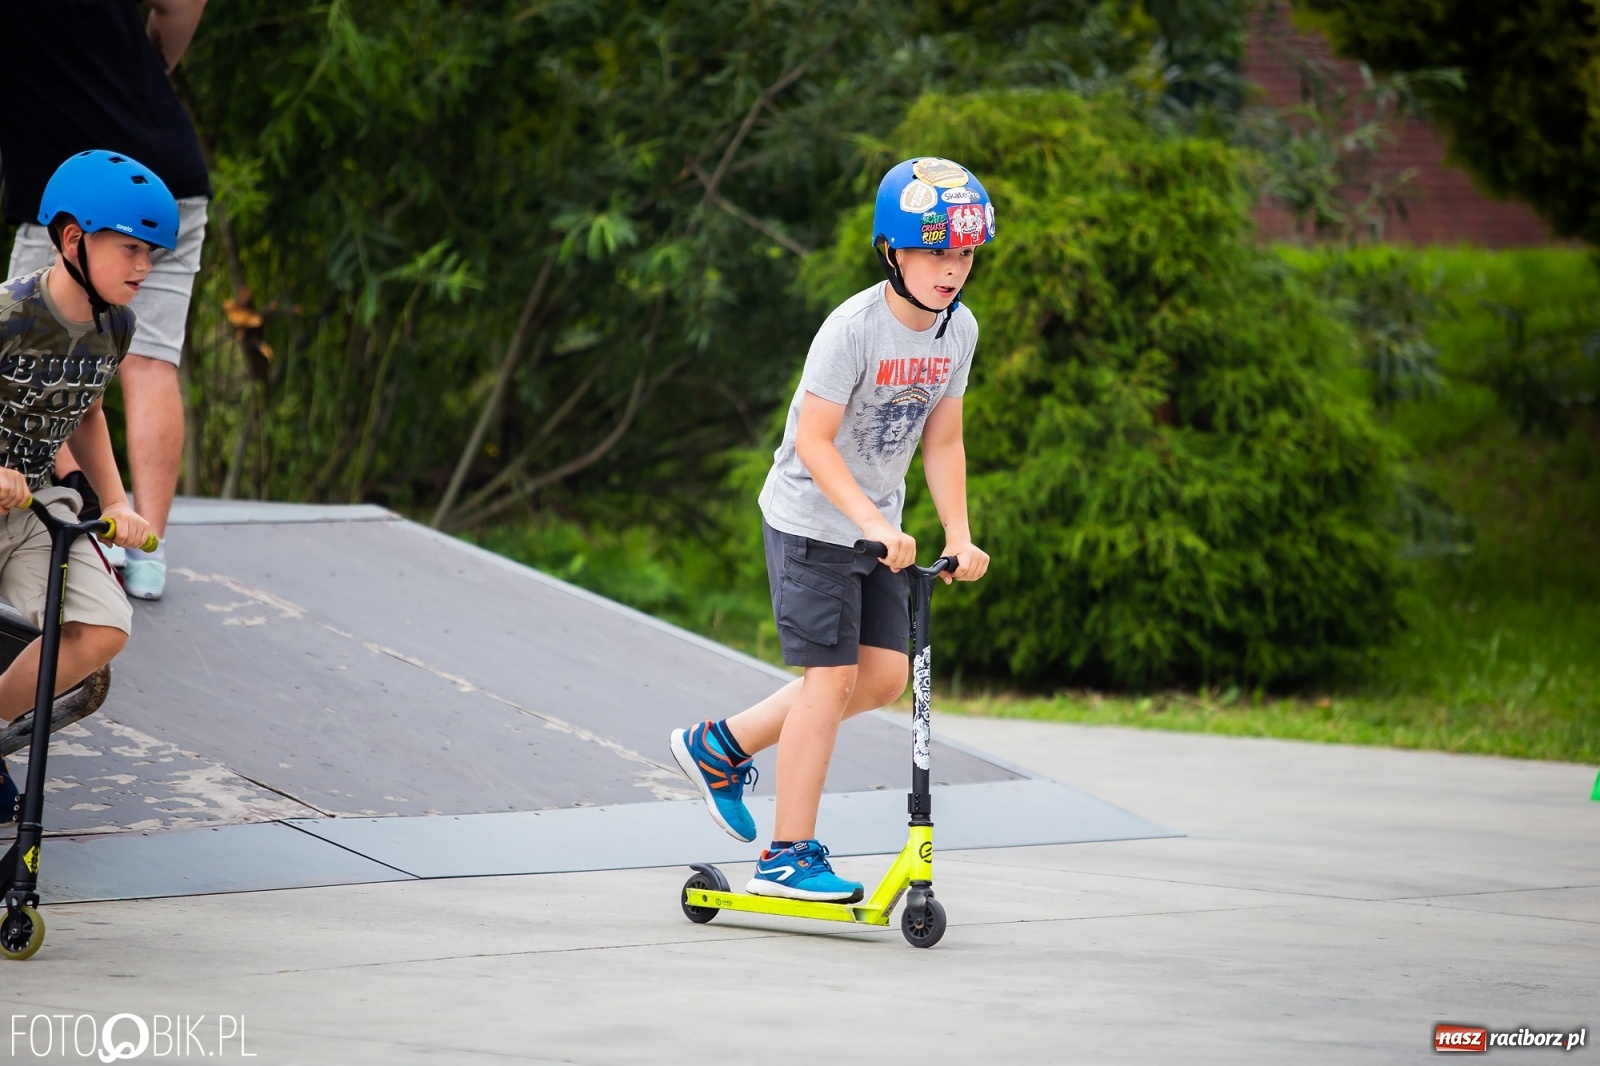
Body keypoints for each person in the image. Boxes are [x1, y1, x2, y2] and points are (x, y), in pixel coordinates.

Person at [669, 158, 994, 901]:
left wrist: (959, 532)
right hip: (812, 522)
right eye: (936, 252)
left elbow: (944, 439)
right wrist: (872, 520)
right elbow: (814, 443)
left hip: (878, 530)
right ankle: (787, 855)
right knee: (832, 677)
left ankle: (719, 746)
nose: (952, 269)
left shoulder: (959, 330)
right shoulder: (853, 329)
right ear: (893, 252)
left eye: (965, 253)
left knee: (881, 677)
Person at [0, 0, 212, 600]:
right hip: (164, 164)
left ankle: (80, 519)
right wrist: (150, 62)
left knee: (28, 355)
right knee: (150, 362)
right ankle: (142, 549)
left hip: (74, 201)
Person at [0, 150, 166, 820]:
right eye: (130, 248)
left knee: (103, 629)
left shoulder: (114, 326)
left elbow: (89, 411)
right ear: (73, 239)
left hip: (35, 508)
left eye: (150, 252)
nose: (144, 267)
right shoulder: (9, 313)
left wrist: (118, 501)